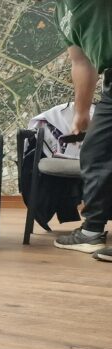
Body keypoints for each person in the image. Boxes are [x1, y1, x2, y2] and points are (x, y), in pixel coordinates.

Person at [52, 0, 112, 261]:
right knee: (96, 153)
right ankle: (91, 231)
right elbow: (82, 61)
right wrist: (81, 111)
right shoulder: (61, 11)